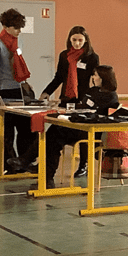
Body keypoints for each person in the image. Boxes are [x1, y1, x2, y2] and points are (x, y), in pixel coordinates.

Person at [35, 65, 119, 189]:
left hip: (94, 133)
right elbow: (82, 106)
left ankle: (29, 160)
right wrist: (63, 107)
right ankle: (46, 176)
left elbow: (99, 114)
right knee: (54, 132)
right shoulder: (92, 91)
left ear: (103, 77)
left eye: (96, 75)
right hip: (80, 126)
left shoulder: (111, 96)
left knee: (55, 135)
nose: (93, 77)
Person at [40, 26, 99, 177]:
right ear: (69, 39)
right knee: (57, 130)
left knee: (83, 130)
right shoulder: (64, 55)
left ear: (85, 41)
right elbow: (59, 77)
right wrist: (46, 92)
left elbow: (96, 78)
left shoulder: (91, 57)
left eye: (80, 40)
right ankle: (47, 167)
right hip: (66, 98)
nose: (77, 43)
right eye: (74, 40)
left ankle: (84, 165)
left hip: (83, 99)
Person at [0, 8, 35, 171]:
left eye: (20, 28)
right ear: (6, 27)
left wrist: (26, 82)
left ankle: (24, 161)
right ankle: (10, 164)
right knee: (7, 133)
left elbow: (20, 63)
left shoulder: (19, 42)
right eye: (16, 28)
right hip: (5, 92)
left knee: (25, 131)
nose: (19, 31)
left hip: (20, 91)